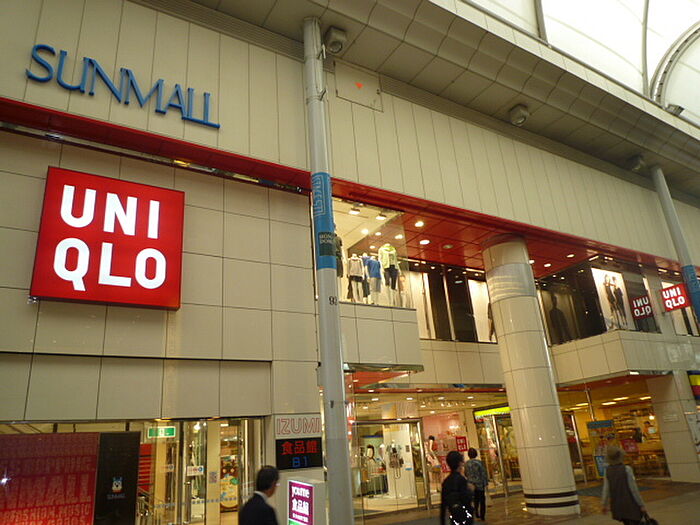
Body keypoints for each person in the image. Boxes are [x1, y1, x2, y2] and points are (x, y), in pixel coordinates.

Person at [601, 446, 646, 525]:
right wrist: (641, 504)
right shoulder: (627, 469)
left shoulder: (607, 471)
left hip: (617, 504)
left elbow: (606, 489)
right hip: (630, 503)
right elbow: (633, 489)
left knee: (626, 522)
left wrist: (604, 504)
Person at [440, 450, 474, 525]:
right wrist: (471, 491)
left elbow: (443, 505)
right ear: (460, 463)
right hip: (464, 516)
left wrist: (442, 521)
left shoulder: (446, 481)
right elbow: (466, 499)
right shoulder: (461, 479)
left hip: (454, 516)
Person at [465, 448, 488, 521]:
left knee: (475, 500)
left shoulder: (466, 464)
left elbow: (466, 474)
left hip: (471, 484)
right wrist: (485, 483)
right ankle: (482, 515)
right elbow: (483, 473)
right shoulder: (479, 463)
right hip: (480, 484)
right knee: (482, 500)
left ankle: (476, 513)